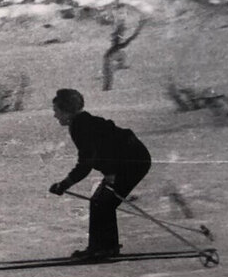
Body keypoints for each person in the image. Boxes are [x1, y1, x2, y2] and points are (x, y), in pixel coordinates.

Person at [48, 88, 151, 260]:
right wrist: (110, 171)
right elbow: (102, 149)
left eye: (56, 111)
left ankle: (105, 249)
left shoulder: (81, 126)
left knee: (104, 203)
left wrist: (64, 184)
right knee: (99, 202)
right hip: (127, 159)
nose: (55, 115)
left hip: (134, 161)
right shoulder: (80, 123)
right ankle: (99, 247)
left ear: (67, 111)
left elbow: (86, 164)